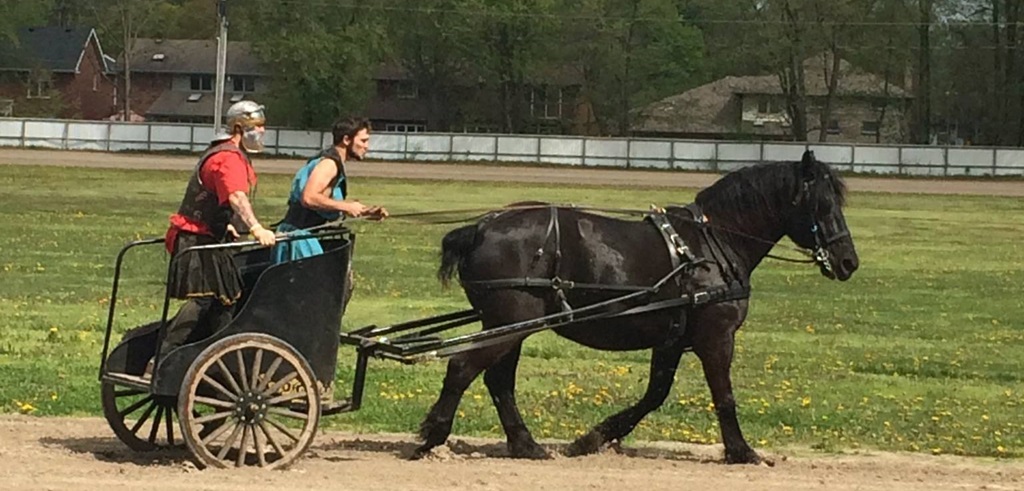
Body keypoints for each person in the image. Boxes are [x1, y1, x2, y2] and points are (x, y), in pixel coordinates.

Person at [158, 100, 276, 359]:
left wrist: (230, 224)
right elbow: (235, 196)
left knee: (225, 299)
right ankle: (166, 355)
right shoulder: (228, 158)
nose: (263, 132)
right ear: (238, 128)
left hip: (206, 235)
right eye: (257, 126)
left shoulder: (224, 152)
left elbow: (216, 199)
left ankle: (216, 354)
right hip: (196, 239)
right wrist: (256, 228)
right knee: (204, 298)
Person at [272, 116, 388, 263]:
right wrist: (346, 206)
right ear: (346, 140)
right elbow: (309, 197)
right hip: (298, 238)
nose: (367, 146)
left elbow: (324, 202)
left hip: (300, 236)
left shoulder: (330, 161)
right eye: (363, 141)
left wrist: (366, 211)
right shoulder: (329, 164)